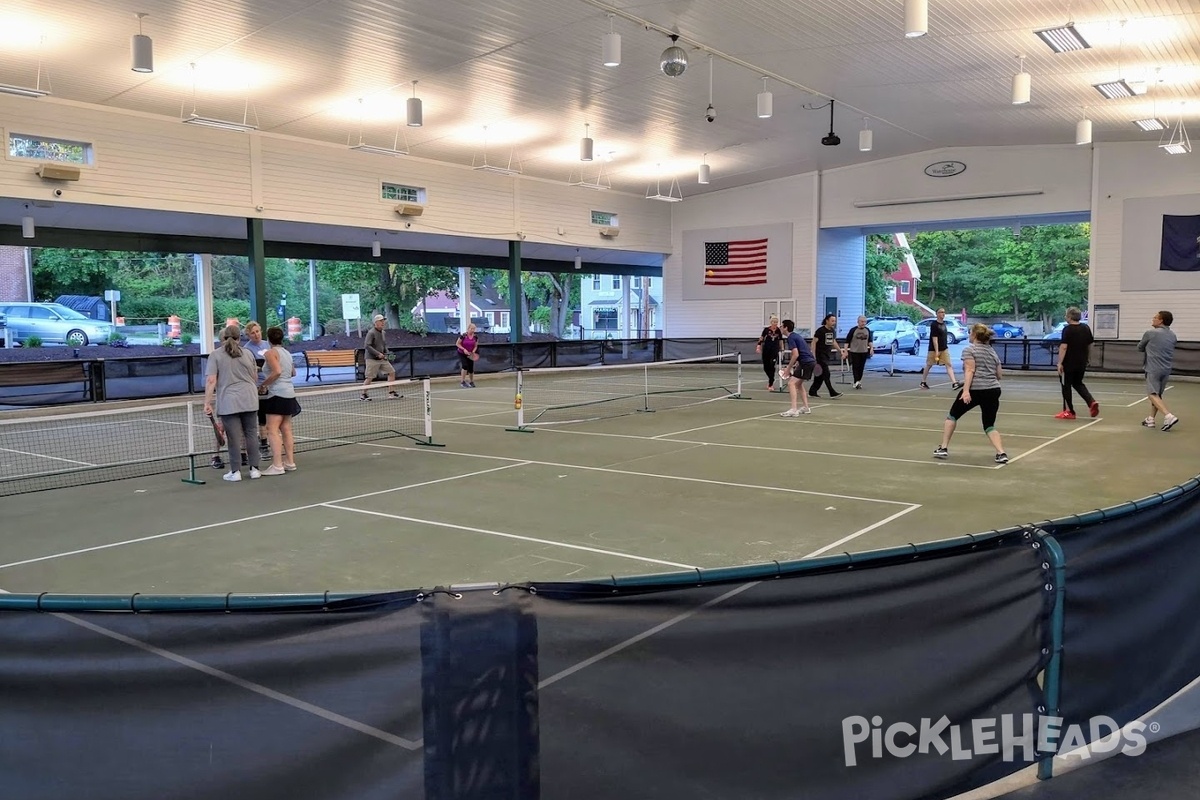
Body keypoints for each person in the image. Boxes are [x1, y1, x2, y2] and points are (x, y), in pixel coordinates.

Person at [933, 323, 1008, 464]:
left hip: (975, 389)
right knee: (989, 425)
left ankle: (943, 448)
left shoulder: (969, 350)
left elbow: (970, 370)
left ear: (974, 335)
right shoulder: (992, 351)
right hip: (993, 390)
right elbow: (999, 375)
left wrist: (966, 391)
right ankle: (1001, 453)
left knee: (952, 416)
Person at [203, 323, 262, 482]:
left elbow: (211, 380)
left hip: (228, 401)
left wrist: (207, 402)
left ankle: (235, 472)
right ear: (239, 337)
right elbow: (255, 378)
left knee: (233, 437)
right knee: (251, 433)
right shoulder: (248, 353)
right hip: (250, 398)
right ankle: (255, 469)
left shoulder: (215, 355)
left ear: (222, 338)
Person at [257, 326, 301, 476]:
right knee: (286, 428)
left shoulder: (270, 353)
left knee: (272, 429)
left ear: (268, 339)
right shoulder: (287, 353)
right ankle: (289, 462)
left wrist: (263, 384)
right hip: (289, 393)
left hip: (277, 394)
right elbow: (293, 372)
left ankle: (277, 465)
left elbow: (277, 371)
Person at [1137, 310, 1179, 431]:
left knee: (1152, 394)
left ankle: (1168, 416)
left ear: (1161, 320)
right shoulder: (1173, 335)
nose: (1153, 319)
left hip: (1153, 368)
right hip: (1166, 369)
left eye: (1155, 317)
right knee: (1158, 395)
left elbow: (1140, 347)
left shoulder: (1150, 333)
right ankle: (1151, 419)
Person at [1055, 306, 1098, 420]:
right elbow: (1091, 345)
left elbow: (1064, 347)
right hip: (1081, 362)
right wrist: (1088, 358)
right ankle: (1091, 402)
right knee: (1078, 383)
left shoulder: (1067, 329)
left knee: (1066, 385)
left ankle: (1070, 411)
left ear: (1069, 317)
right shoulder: (1085, 328)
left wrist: (1060, 363)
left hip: (1069, 363)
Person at [244, 321, 272, 458]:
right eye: (252, 333)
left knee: (265, 418)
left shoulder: (268, 345)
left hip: (269, 386)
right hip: (255, 387)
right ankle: (252, 448)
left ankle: (265, 444)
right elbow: (249, 368)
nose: (256, 335)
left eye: (257, 331)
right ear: (248, 336)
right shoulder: (247, 349)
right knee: (253, 419)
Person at [779, 319, 816, 417]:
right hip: (809, 362)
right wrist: (796, 364)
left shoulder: (791, 337)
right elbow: (803, 351)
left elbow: (795, 354)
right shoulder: (796, 336)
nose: (780, 328)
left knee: (791, 383)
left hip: (806, 363)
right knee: (798, 384)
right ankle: (806, 407)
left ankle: (794, 409)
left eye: (781, 326)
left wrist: (788, 369)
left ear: (786, 328)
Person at [361, 314, 401, 401]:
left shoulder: (383, 332)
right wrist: (377, 354)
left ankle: (391, 393)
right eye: (381, 321)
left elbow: (384, 344)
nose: (383, 323)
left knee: (391, 372)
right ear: (376, 322)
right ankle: (363, 394)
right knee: (370, 377)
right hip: (371, 359)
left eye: (383, 321)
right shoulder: (371, 333)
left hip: (382, 359)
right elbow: (367, 346)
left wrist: (387, 353)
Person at [920, 308, 961, 391]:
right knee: (929, 365)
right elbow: (934, 339)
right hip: (934, 349)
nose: (943, 314)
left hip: (944, 348)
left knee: (948, 364)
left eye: (944, 312)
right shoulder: (934, 325)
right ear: (937, 314)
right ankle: (923, 382)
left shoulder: (944, 324)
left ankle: (954, 383)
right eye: (941, 312)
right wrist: (937, 351)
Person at [809, 313, 842, 399]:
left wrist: (840, 350)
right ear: (827, 321)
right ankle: (832, 392)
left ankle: (812, 391)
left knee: (819, 376)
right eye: (832, 320)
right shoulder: (820, 331)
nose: (833, 322)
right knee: (826, 374)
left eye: (834, 321)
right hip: (820, 355)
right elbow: (814, 342)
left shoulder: (832, 331)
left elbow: (833, 342)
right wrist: (813, 355)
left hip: (827, 355)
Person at [756, 315, 784, 391]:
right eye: (774, 322)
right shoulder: (766, 330)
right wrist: (758, 346)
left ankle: (771, 382)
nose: (775, 323)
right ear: (771, 322)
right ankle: (770, 378)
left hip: (774, 350)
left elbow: (781, 340)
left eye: (776, 322)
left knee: (772, 365)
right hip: (766, 350)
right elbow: (761, 338)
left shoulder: (778, 331)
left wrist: (782, 349)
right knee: (766, 367)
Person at [844, 316, 873, 389]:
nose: (863, 323)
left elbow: (870, 341)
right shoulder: (853, 330)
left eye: (865, 322)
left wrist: (872, 349)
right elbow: (847, 341)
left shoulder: (867, 330)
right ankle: (856, 381)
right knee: (855, 366)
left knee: (861, 367)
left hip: (864, 351)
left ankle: (858, 381)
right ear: (858, 322)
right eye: (862, 321)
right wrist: (845, 351)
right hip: (854, 351)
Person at [457, 322, 479, 388]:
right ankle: (462, 382)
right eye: (471, 328)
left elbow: (475, 346)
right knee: (465, 366)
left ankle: (471, 381)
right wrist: (464, 349)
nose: (473, 330)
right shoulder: (463, 336)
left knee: (471, 368)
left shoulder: (475, 337)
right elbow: (457, 344)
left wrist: (473, 352)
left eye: (474, 329)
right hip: (462, 353)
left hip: (470, 354)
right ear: (468, 328)